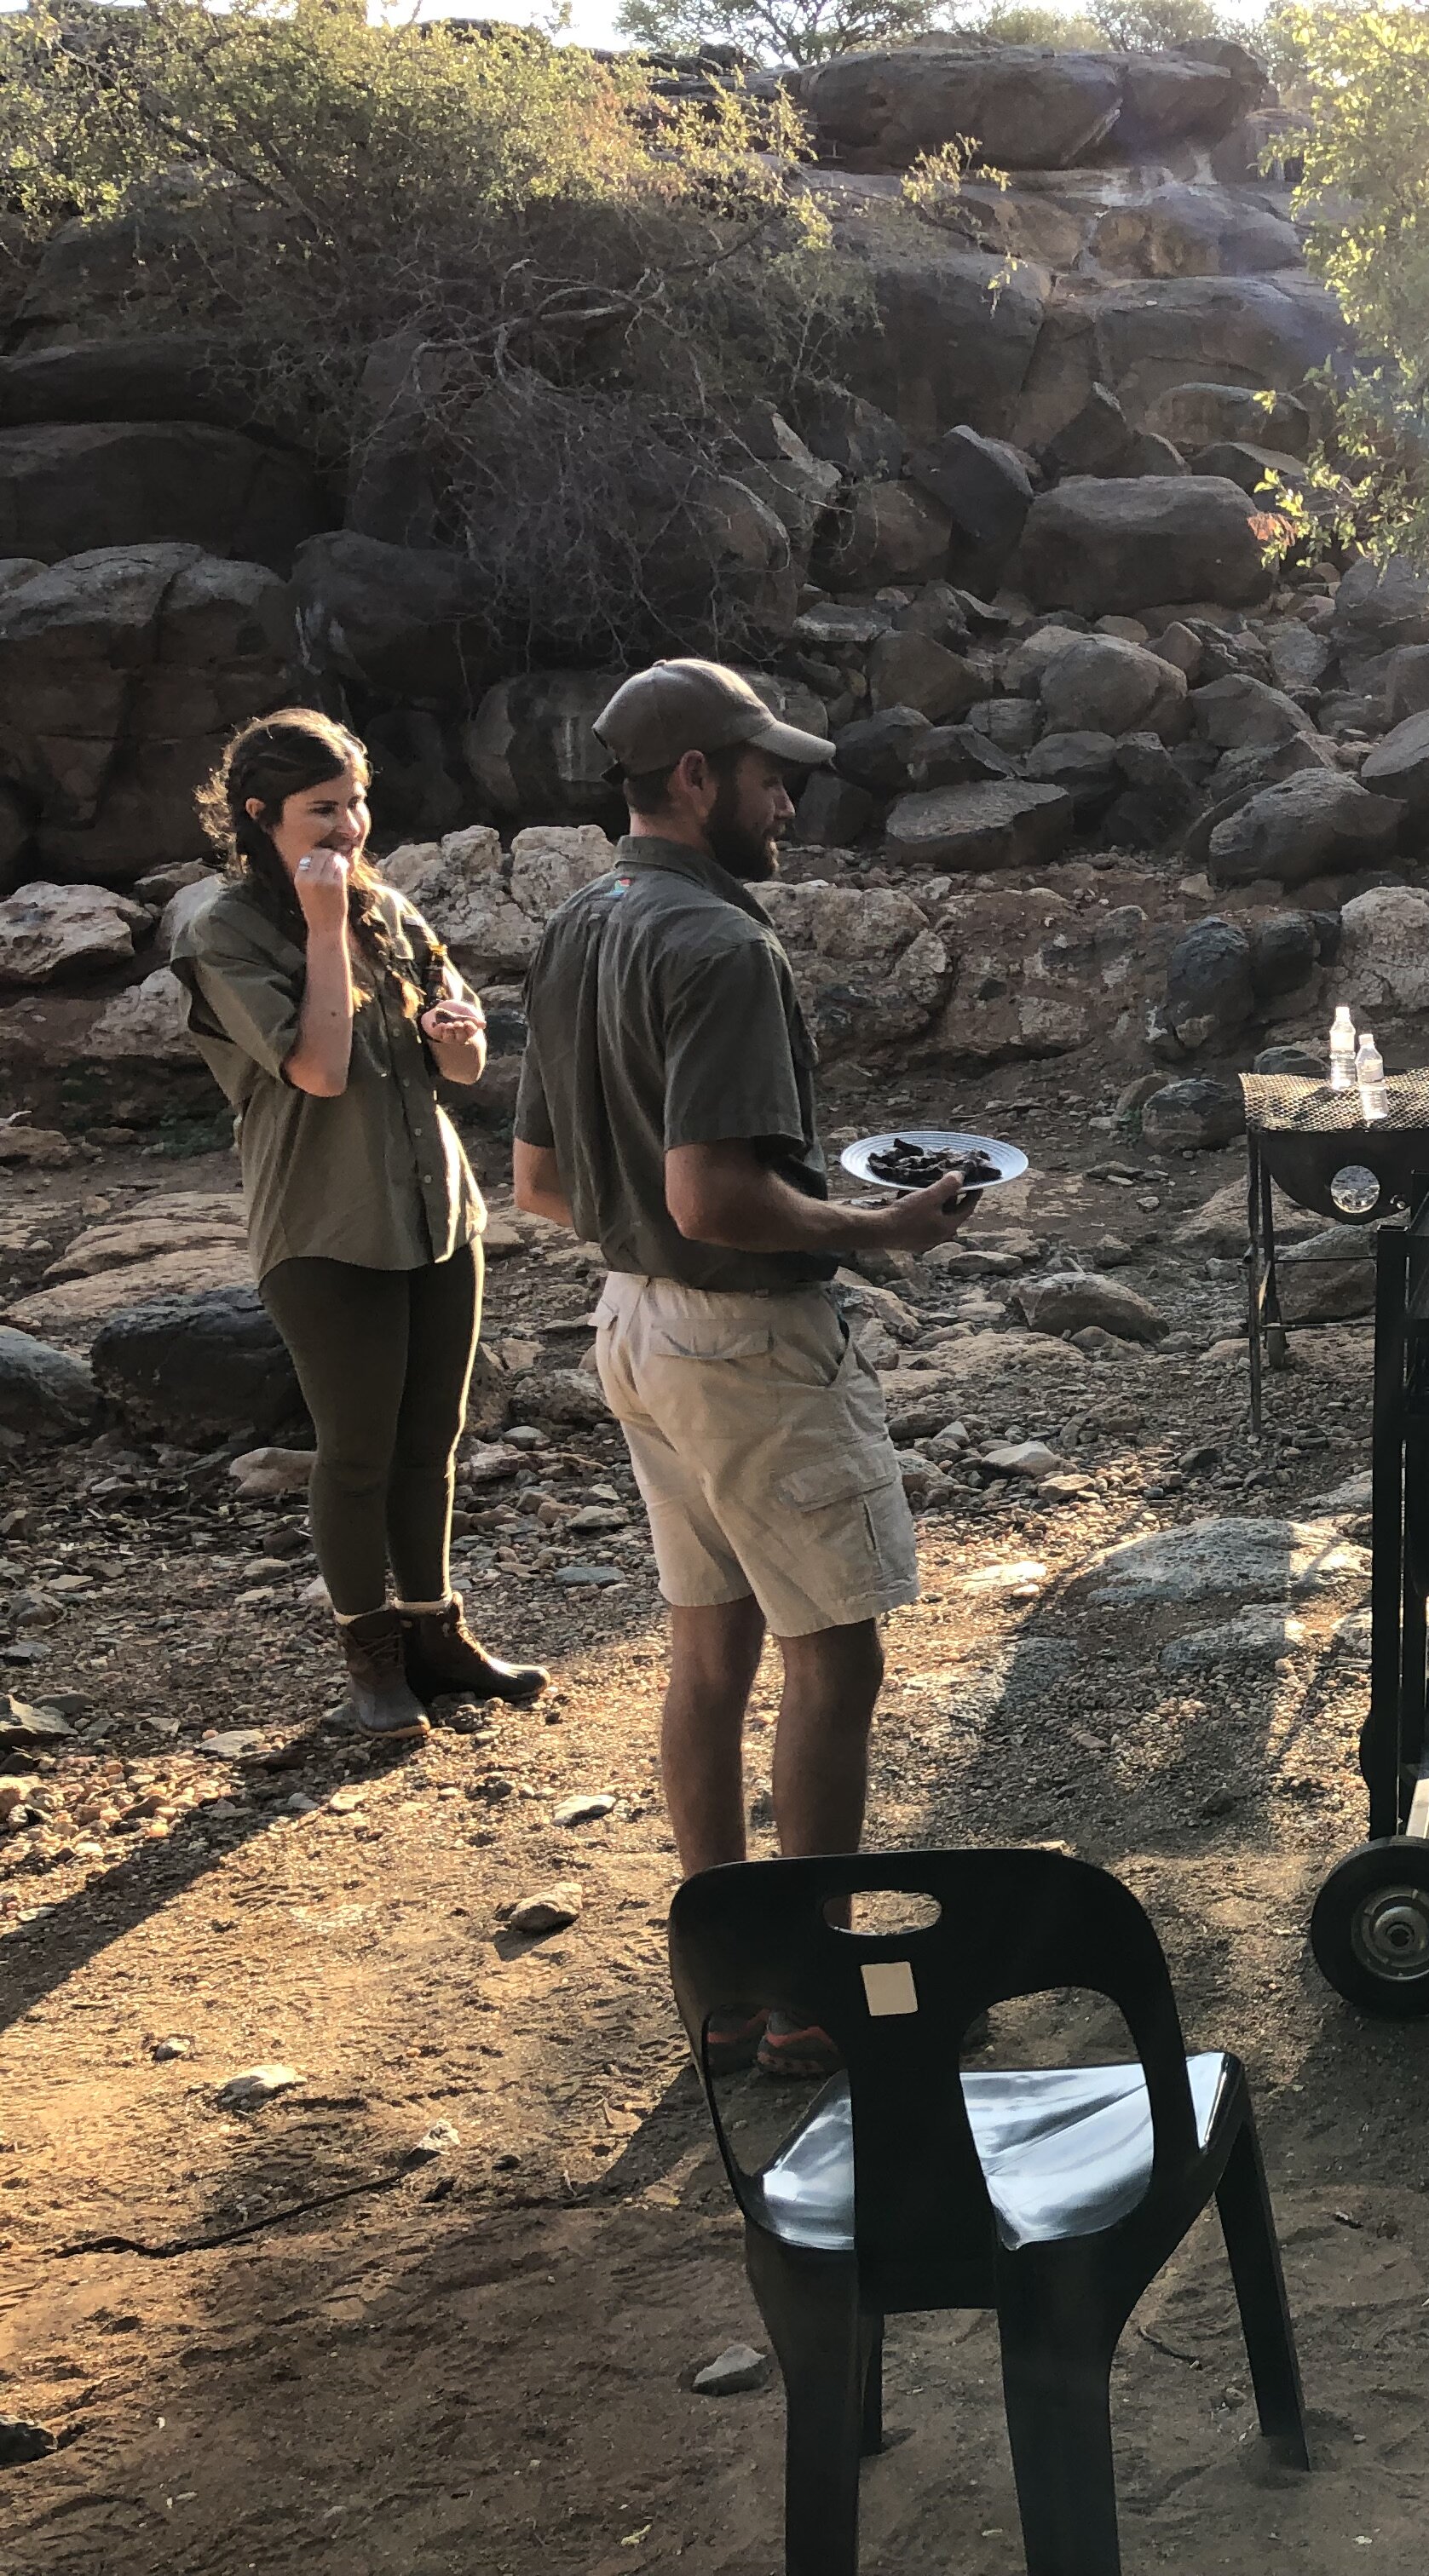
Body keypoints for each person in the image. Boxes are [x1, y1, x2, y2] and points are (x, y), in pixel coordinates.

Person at [511, 660, 969, 2078]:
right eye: (770, 772)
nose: (790, 796)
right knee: (838, 1658)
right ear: (694, 777)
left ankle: (719, 1982)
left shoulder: (581, 924)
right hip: (745, 1340)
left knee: (709, 1653)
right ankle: (812, 1996)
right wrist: (878, 1224)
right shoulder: (720, 944)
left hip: (633, 1329)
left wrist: (669, 1220)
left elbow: (538, 1181)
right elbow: (715, 1195)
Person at [173, 710, 545, 1740]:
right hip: (325, 1227)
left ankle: (435, 1633)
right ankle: (370, 1656)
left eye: (356, 803)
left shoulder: (390, 907)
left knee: (433, 1439)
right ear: (261, 816)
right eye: (322, 810)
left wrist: (453, 1030)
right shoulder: (225, 929)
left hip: (438, 1211)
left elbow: (465, 1071)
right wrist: (326, 928)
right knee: (356, 1452)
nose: (348, 827)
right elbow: (320, 1072)